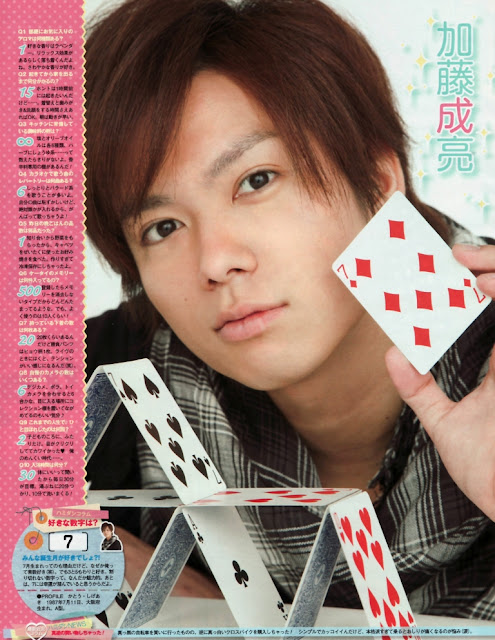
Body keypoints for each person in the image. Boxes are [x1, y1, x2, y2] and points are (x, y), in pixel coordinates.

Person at [84, 0, 495, 618]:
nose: (215, 261)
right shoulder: (98, 380)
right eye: (162, 226)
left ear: (378, 180)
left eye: (256, 181)